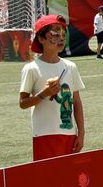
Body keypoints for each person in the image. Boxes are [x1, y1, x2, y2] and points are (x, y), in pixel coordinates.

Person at [18, 14, 85, 161]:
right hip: (44, 134)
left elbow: (77, 102)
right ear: (41, 39)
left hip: (69, 134)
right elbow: (23, 103)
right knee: (47, 181)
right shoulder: (32, 69)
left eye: (63, 33)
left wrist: (81, 133)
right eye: (55, 33)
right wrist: (44, 94)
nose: (61, 38)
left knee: (69, 180)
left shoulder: (70, 67)